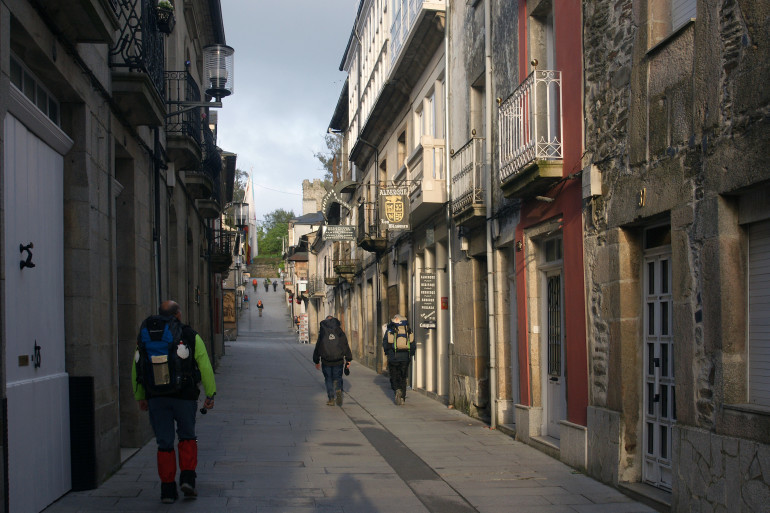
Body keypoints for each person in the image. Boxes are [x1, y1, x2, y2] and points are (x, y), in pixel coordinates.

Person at [132, 300, 216, 503]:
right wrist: (210, 394)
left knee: (164, 442)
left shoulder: (146, 334)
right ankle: (188, 479)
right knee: (187, 436)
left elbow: (137, 365)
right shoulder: (189, 334)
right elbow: (204, 365)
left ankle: (167, 490)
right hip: (184, 397)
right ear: (178, 314)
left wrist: (141, 396)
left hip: (156, 397)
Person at [312, 316, 352, 406]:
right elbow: (345, 345)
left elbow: (318, 346)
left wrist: (316, 361)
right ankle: (338, 389)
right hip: (338, 360)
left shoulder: (323, 332)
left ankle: (331, 398)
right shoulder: (339, 331)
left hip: (326, 361)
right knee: (338, 377)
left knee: (328, 379)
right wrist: (348, 359)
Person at [383, 314, 415, 405]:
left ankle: (397, 389)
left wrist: (387, 353)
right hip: (405, 357)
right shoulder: (407, 330)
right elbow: (412, 344)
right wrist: (410, 354)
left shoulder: (390, 330)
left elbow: (385, 343)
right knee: (403, 377)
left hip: (393, 357)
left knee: (394, 375)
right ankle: (403, 398)